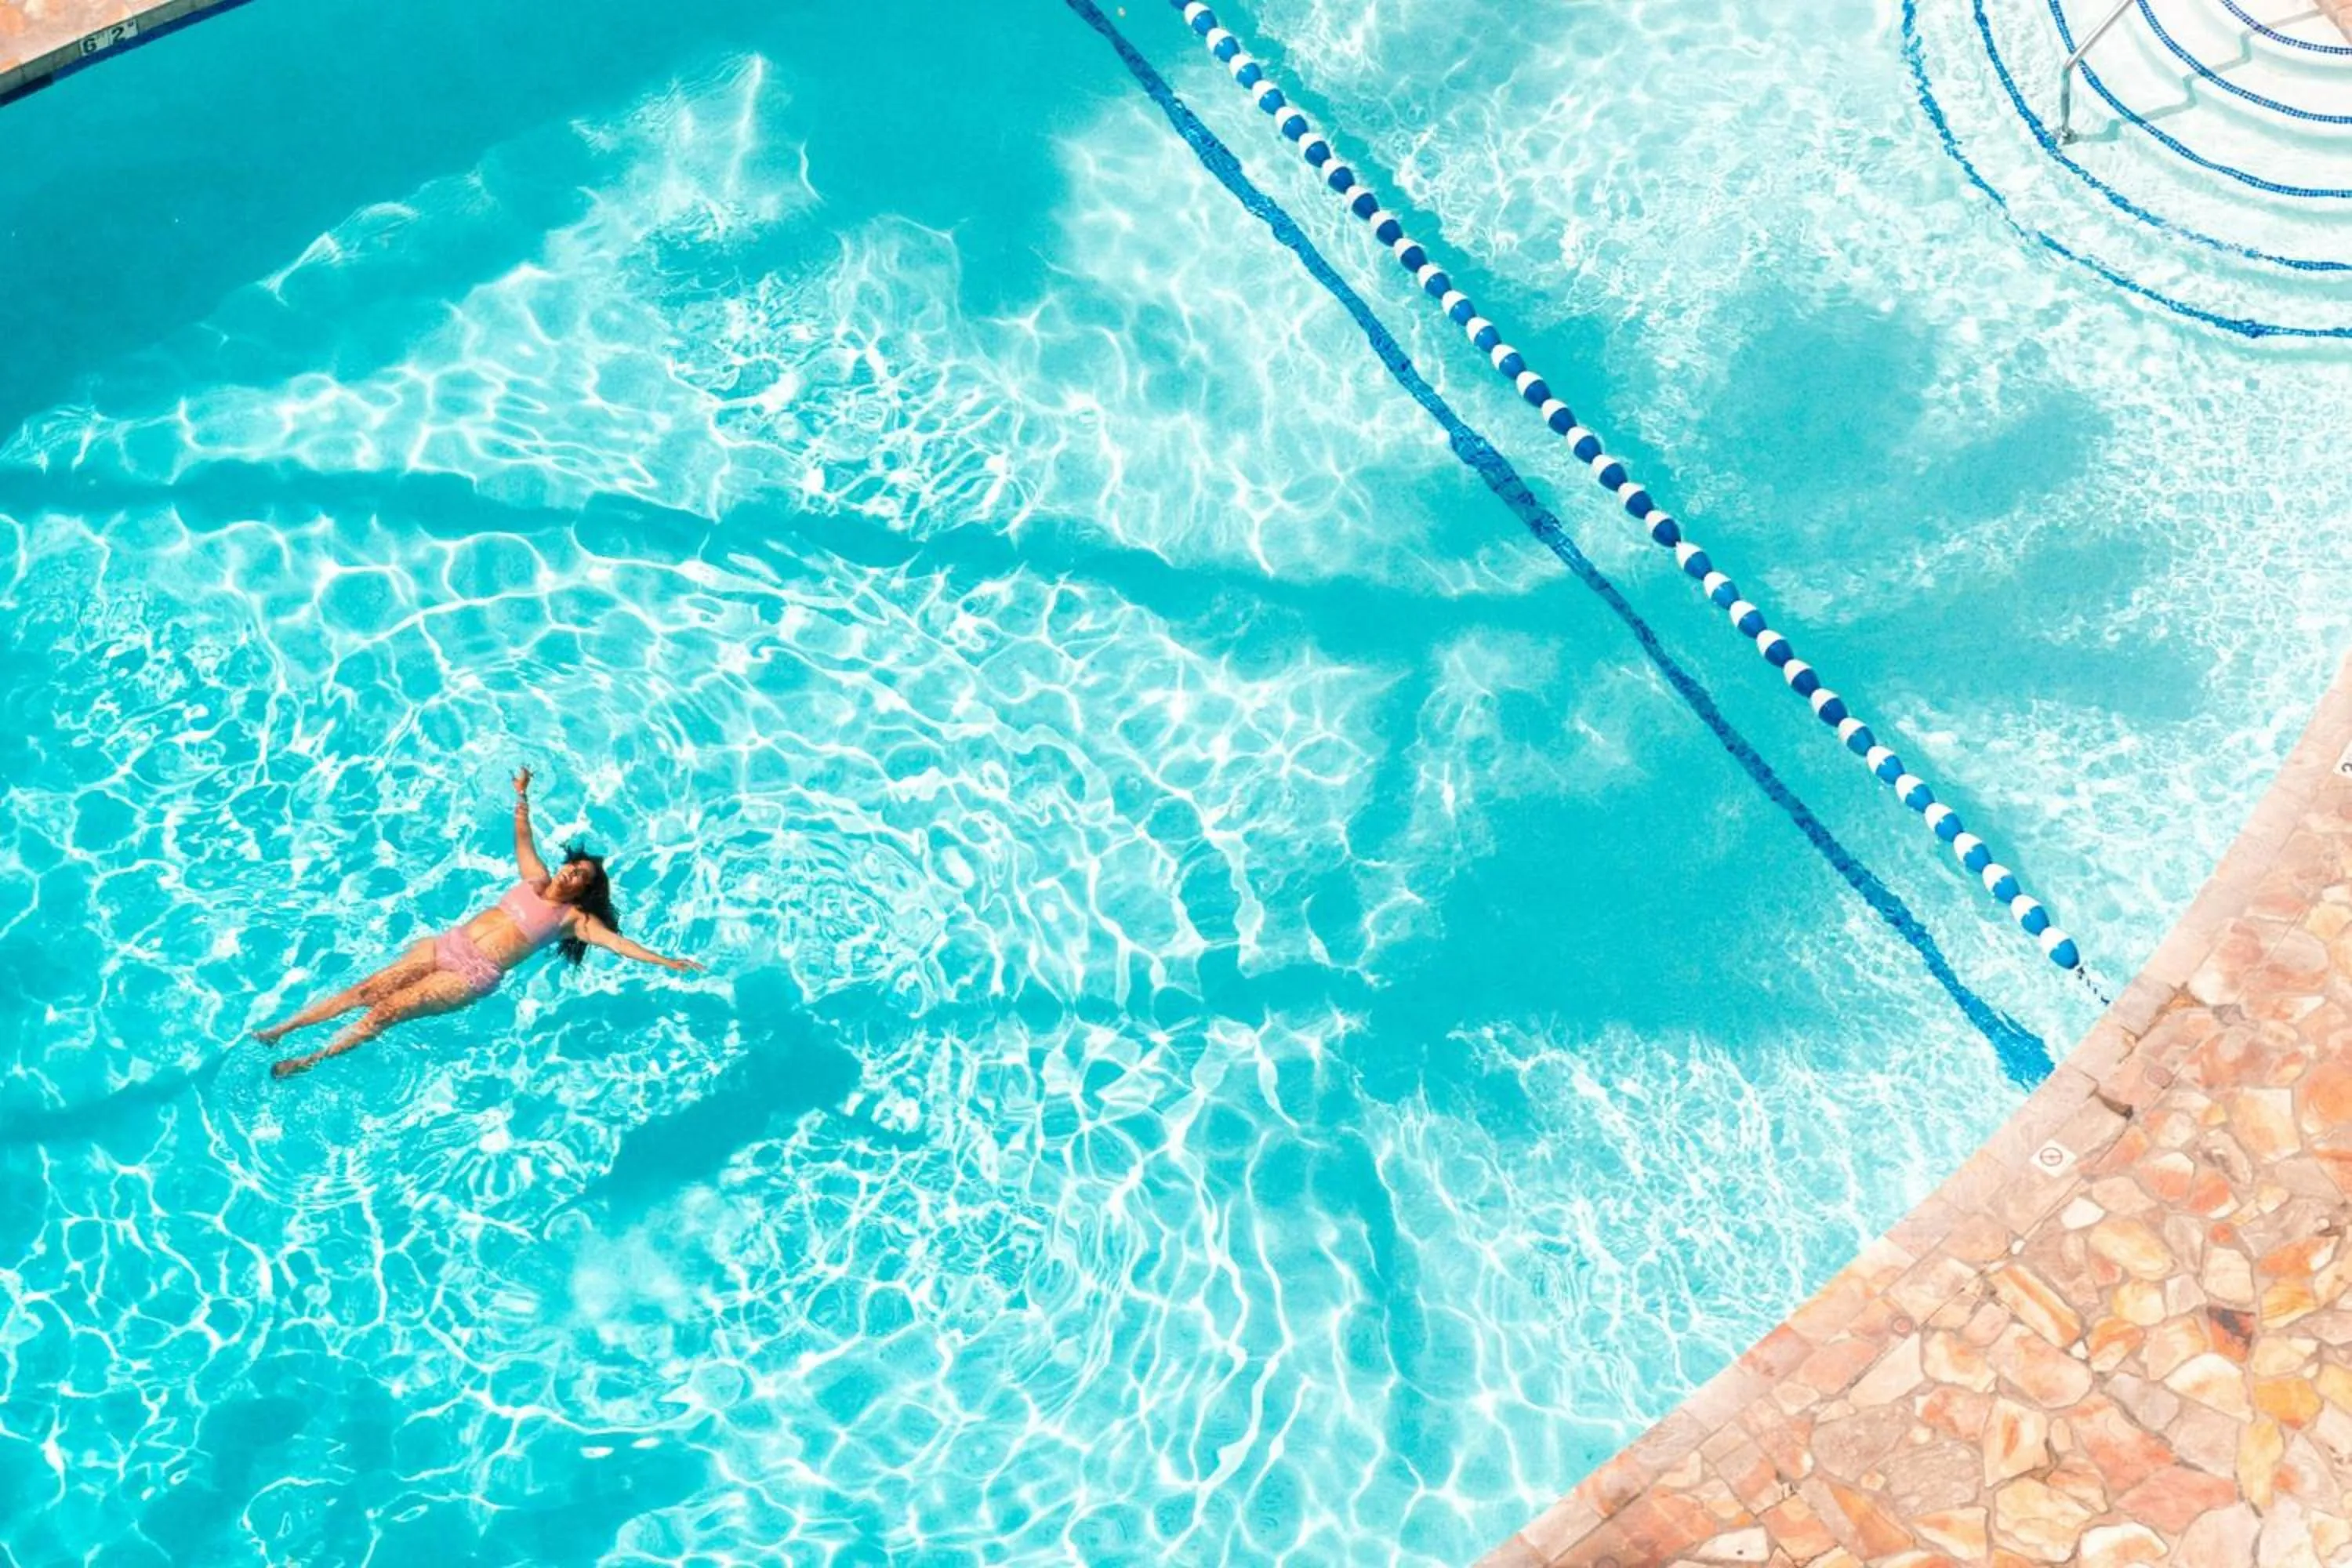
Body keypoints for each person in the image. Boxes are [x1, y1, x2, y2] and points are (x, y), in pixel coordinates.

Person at [256, 768, 703, 1078]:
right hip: (446, 945)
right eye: (574, 866)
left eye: (582, 877)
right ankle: (282, 1030)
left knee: (386, 1012)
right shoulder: (534, 880)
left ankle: (311, 1060)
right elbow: (523, 836)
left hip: (471, 975)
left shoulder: (573, 920)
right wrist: (522, 794)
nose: (572, 873)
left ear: (584, 892)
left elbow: (618, 944)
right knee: (366, 991)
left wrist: (666, 961)